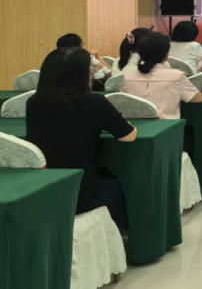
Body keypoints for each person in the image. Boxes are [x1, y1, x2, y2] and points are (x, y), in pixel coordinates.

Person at [26, 47, 137, 229]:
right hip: (80, 187)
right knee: (118, 185)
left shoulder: (33, 103)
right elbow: (128, 136)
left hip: (42, 185)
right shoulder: (94, 102)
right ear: (83, 74)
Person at [121, 31, 202, 120]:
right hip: (167, 126)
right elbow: (197, 98)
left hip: (134, 126)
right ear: (166, 54)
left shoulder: (127, 75)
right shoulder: (176, 76)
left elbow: (122, 99)